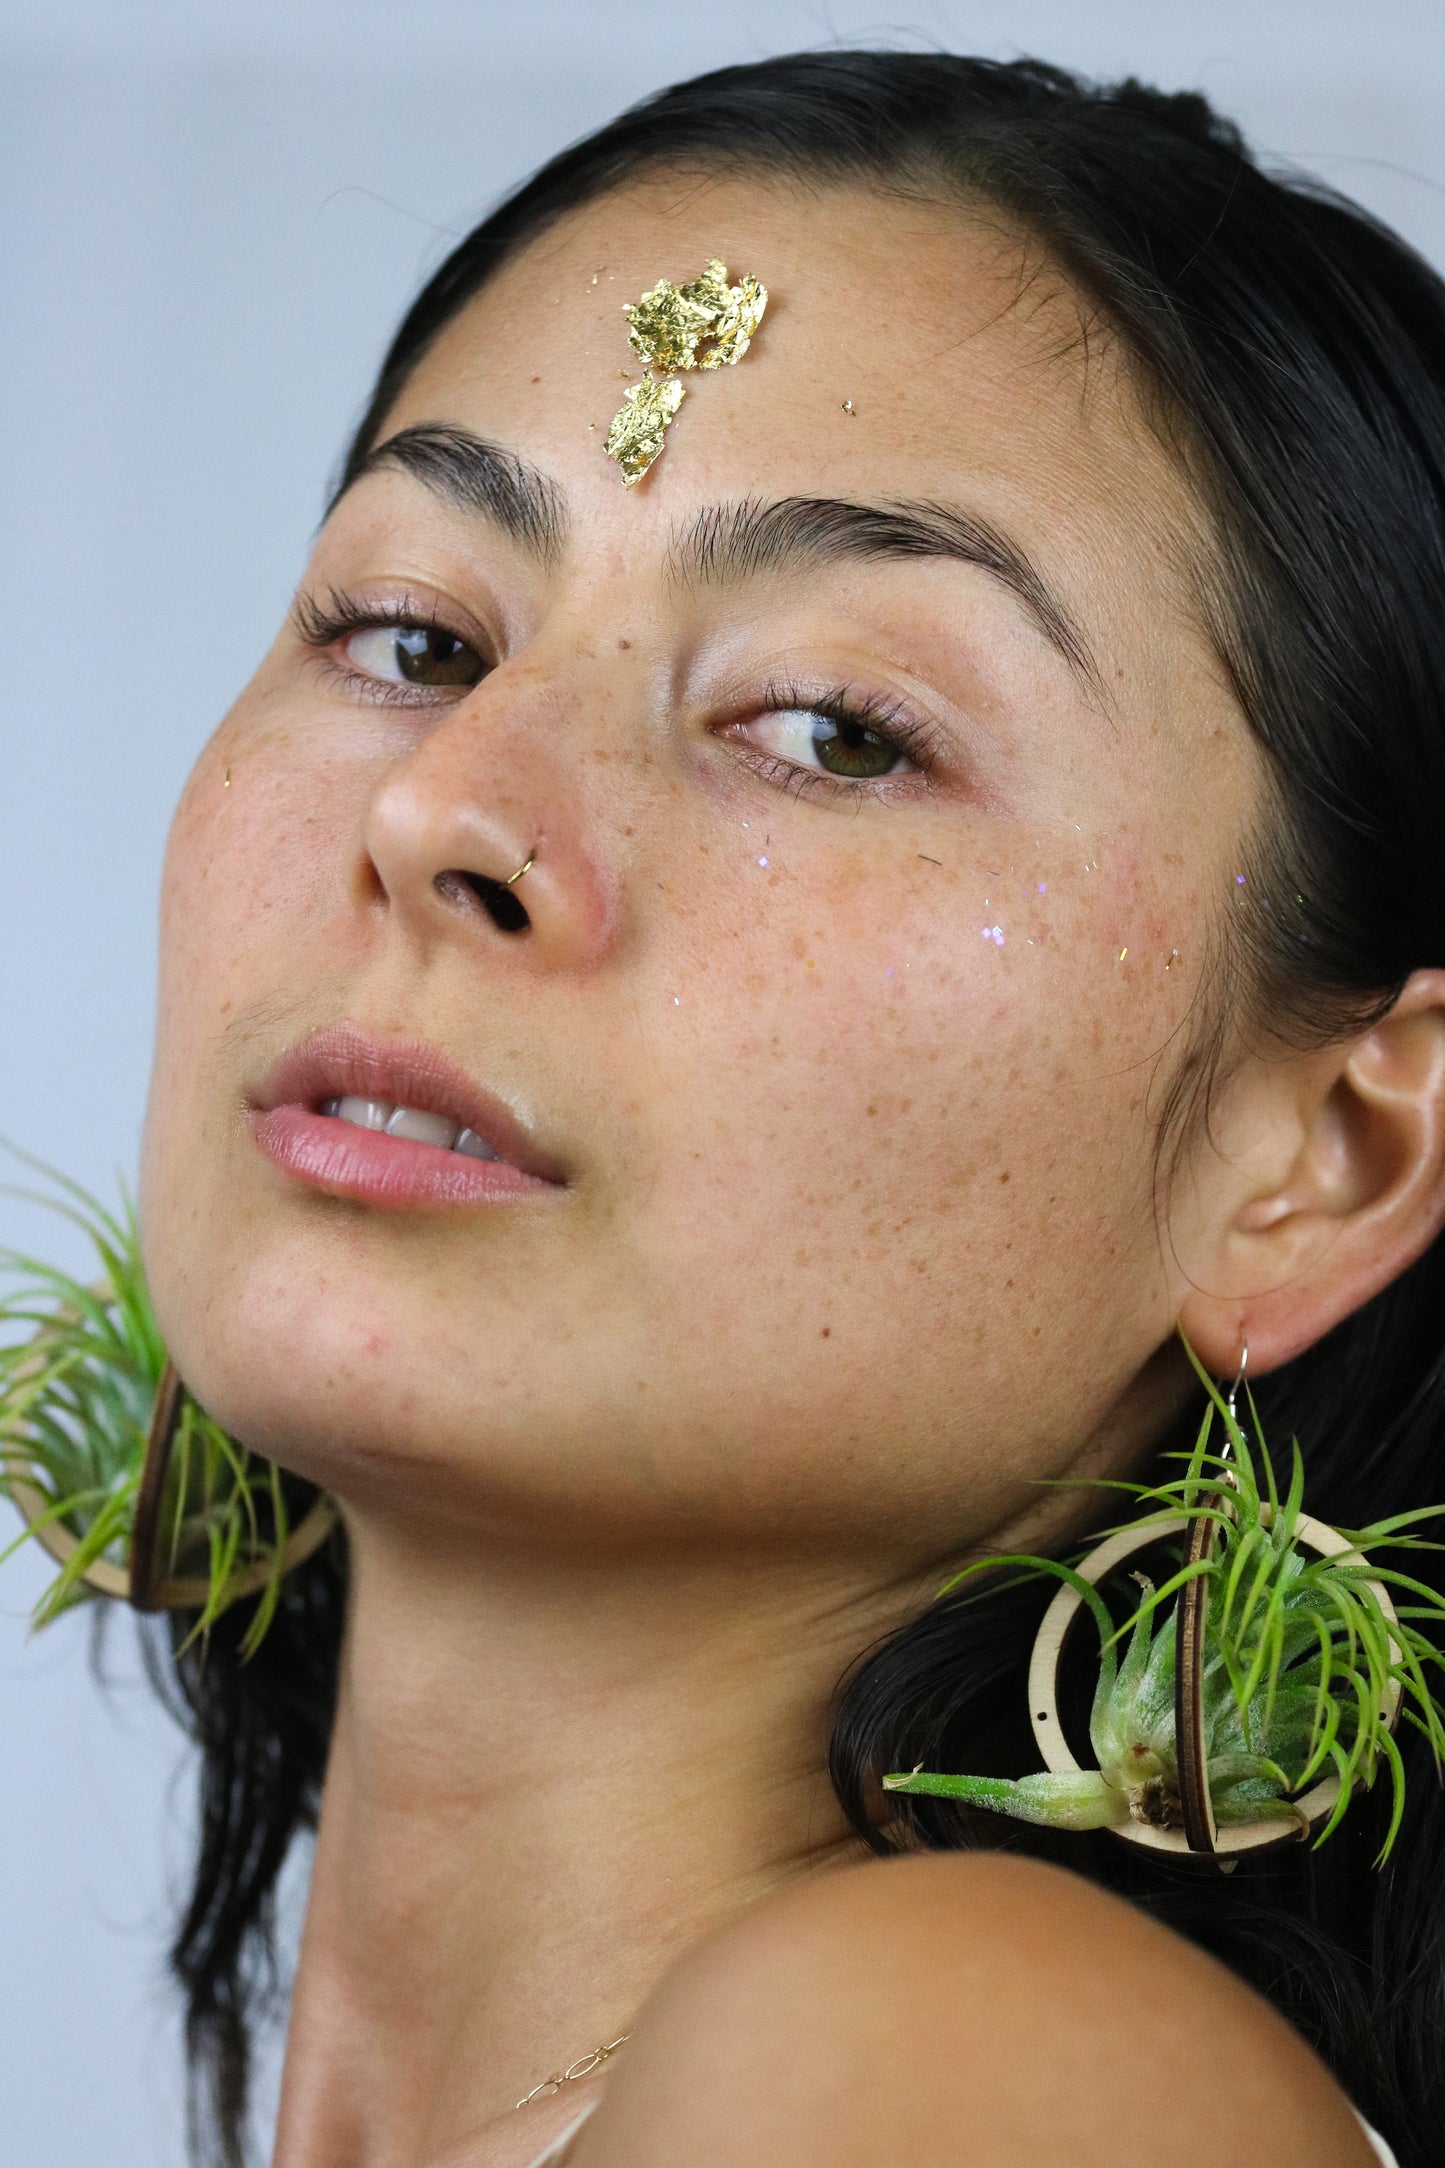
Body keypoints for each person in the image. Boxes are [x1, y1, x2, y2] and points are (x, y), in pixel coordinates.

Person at [113, 48, 1445, 2167]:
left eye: (836, 728)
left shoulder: (953, 2061)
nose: (444, 805)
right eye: (411, 631)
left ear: (1331, 1152)